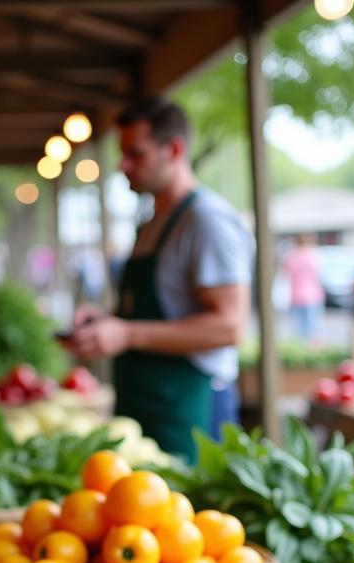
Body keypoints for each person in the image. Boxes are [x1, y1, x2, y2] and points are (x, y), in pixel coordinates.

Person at [66, 97, 253, 459]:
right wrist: (107, 321)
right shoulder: (151, 223)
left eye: (136, 154)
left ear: (174, 150)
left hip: (191, 413)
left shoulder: (206, 222)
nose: (123, 166)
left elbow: (229, 327)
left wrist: (127, 333)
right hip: (145, 407)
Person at [282, 234, 324, 345]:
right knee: (313, 328)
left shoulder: (291, 256)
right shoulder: (312, 254)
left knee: (299, 329)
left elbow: (284, 273)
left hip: (296, 295)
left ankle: (301, 350)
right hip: (313, 295)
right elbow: (319, 272)